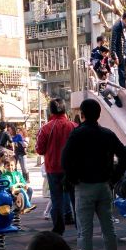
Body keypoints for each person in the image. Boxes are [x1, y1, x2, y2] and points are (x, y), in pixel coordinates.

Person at [62, 99, 126, 250]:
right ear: (99, 114)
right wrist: (113, 178)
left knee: (85, 233)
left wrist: (72, 179)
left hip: (83, 187)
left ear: (81, 114)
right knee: (109, 230)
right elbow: (124, 155)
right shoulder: (107, 134)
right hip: (104, 186)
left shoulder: (77, 134)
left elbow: (65, 160)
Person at [35, 98, 77, 235]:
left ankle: (58, 229)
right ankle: (81, 227)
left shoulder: (46, 128)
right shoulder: (74, 127)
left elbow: (40, 150)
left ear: (51, 111)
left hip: (53, 168)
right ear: (65, 110)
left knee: (56, 199)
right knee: (76, 199)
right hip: (71, 169)